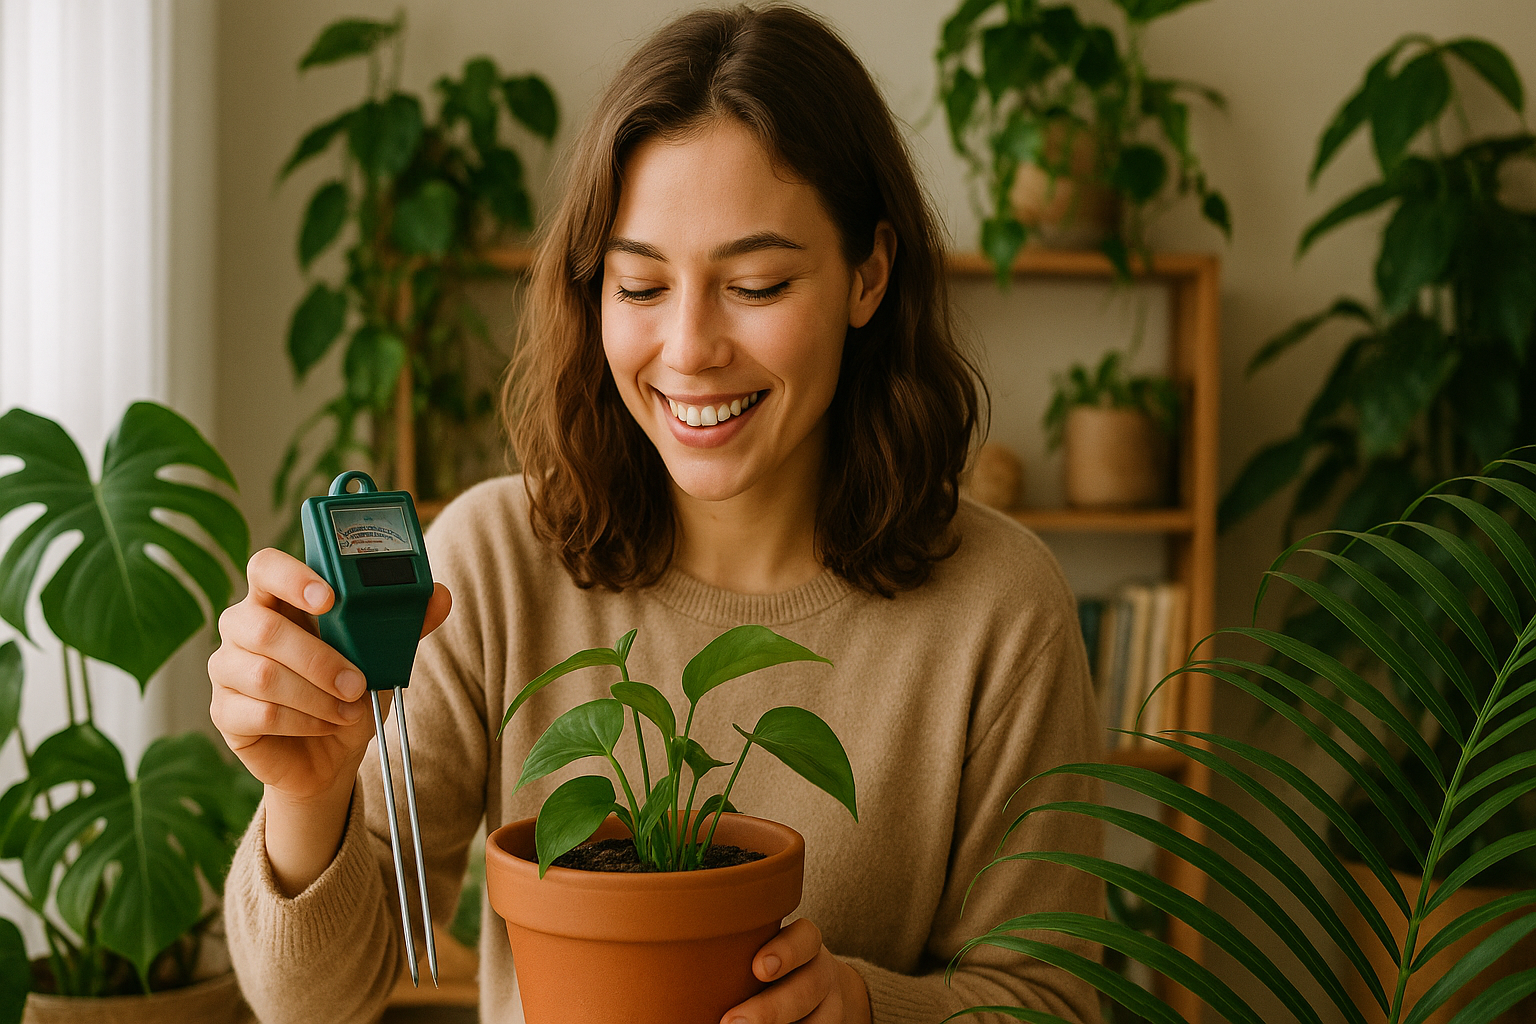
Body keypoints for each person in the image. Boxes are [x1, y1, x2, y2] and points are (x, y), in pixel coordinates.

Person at [211, 6, 1104, 1023]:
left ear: (868, 273)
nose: (688, 348)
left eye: (756, 283)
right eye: (640, 285)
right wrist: (308, 791)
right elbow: (312, 1003)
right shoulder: (491, 566)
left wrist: (866, 1006)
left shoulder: (1001, 608)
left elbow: (1052, 1000)